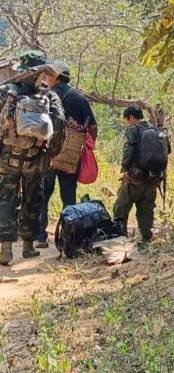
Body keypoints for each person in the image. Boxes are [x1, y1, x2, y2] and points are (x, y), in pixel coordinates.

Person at [0, 63, 65, 265]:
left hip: (9, 158)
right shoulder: (49, 95)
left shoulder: (7, 92)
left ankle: (6, 249)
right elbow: (60, 124)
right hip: (35, 158)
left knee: (6, 199)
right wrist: (51, 153)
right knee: (33, 199)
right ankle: (28, 246)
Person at [37, 60, 97, 248]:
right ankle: (68, 238)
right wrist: (86, 147)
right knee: (69, 198)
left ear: (55, 77)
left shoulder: (45, 96)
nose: (46, 78)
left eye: (49, 75)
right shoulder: (79, 98)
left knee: (43, 195)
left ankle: (41, 237)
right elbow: (93, 127)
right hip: (71, 156)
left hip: (48, 154)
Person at [113, 106, 167, 245]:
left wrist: (125, 169)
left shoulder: (133, 129)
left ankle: (120, 239)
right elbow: (168, 150)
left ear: (131, 117)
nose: (126, 123)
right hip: (154, 177)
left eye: (126, 120)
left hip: (136, 176)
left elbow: (129, 149)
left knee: (121, 206)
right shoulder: (156, 130)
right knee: (146, 209)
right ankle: (146, 239)